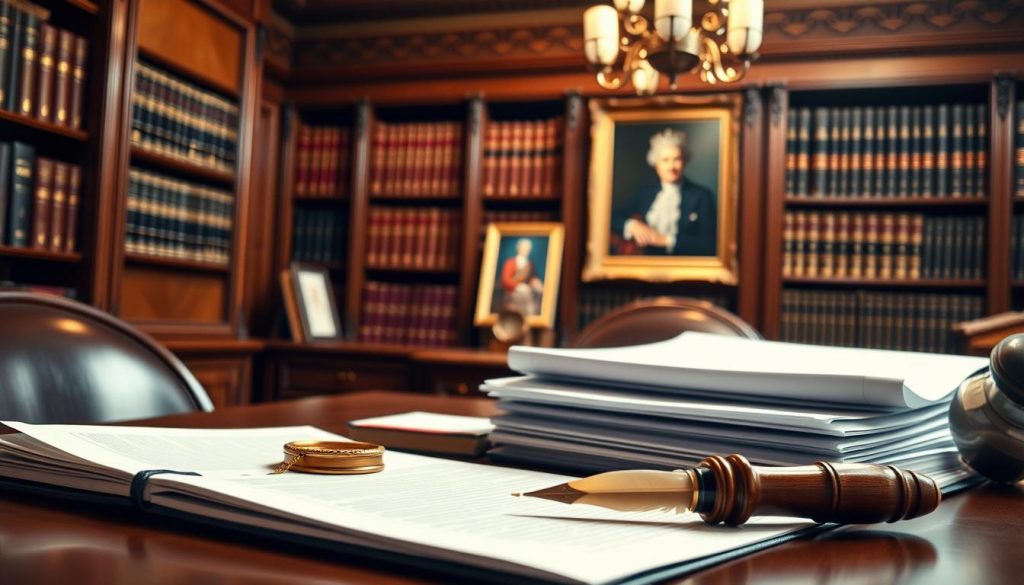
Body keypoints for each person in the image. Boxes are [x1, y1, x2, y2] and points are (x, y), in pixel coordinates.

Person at [611, 128, 717, 256]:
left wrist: (667, 240)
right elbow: (611, 217)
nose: (671, 167)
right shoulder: (645, 194)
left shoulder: (702, 196)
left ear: (685, 162)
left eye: (677, 159)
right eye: (665, 160)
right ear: (656, 164)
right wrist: (631, 225)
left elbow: (708, 244)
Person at [497, 238, 543, 316]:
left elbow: (531, 279)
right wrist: (518, 286)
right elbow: (505, 280)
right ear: (519, 248)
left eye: (528, 248)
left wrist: (536, 283)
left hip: (526, 295)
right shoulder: (510, 263)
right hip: (512, 295)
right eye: (524, 248)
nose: (526, 250)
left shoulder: (529, 264)